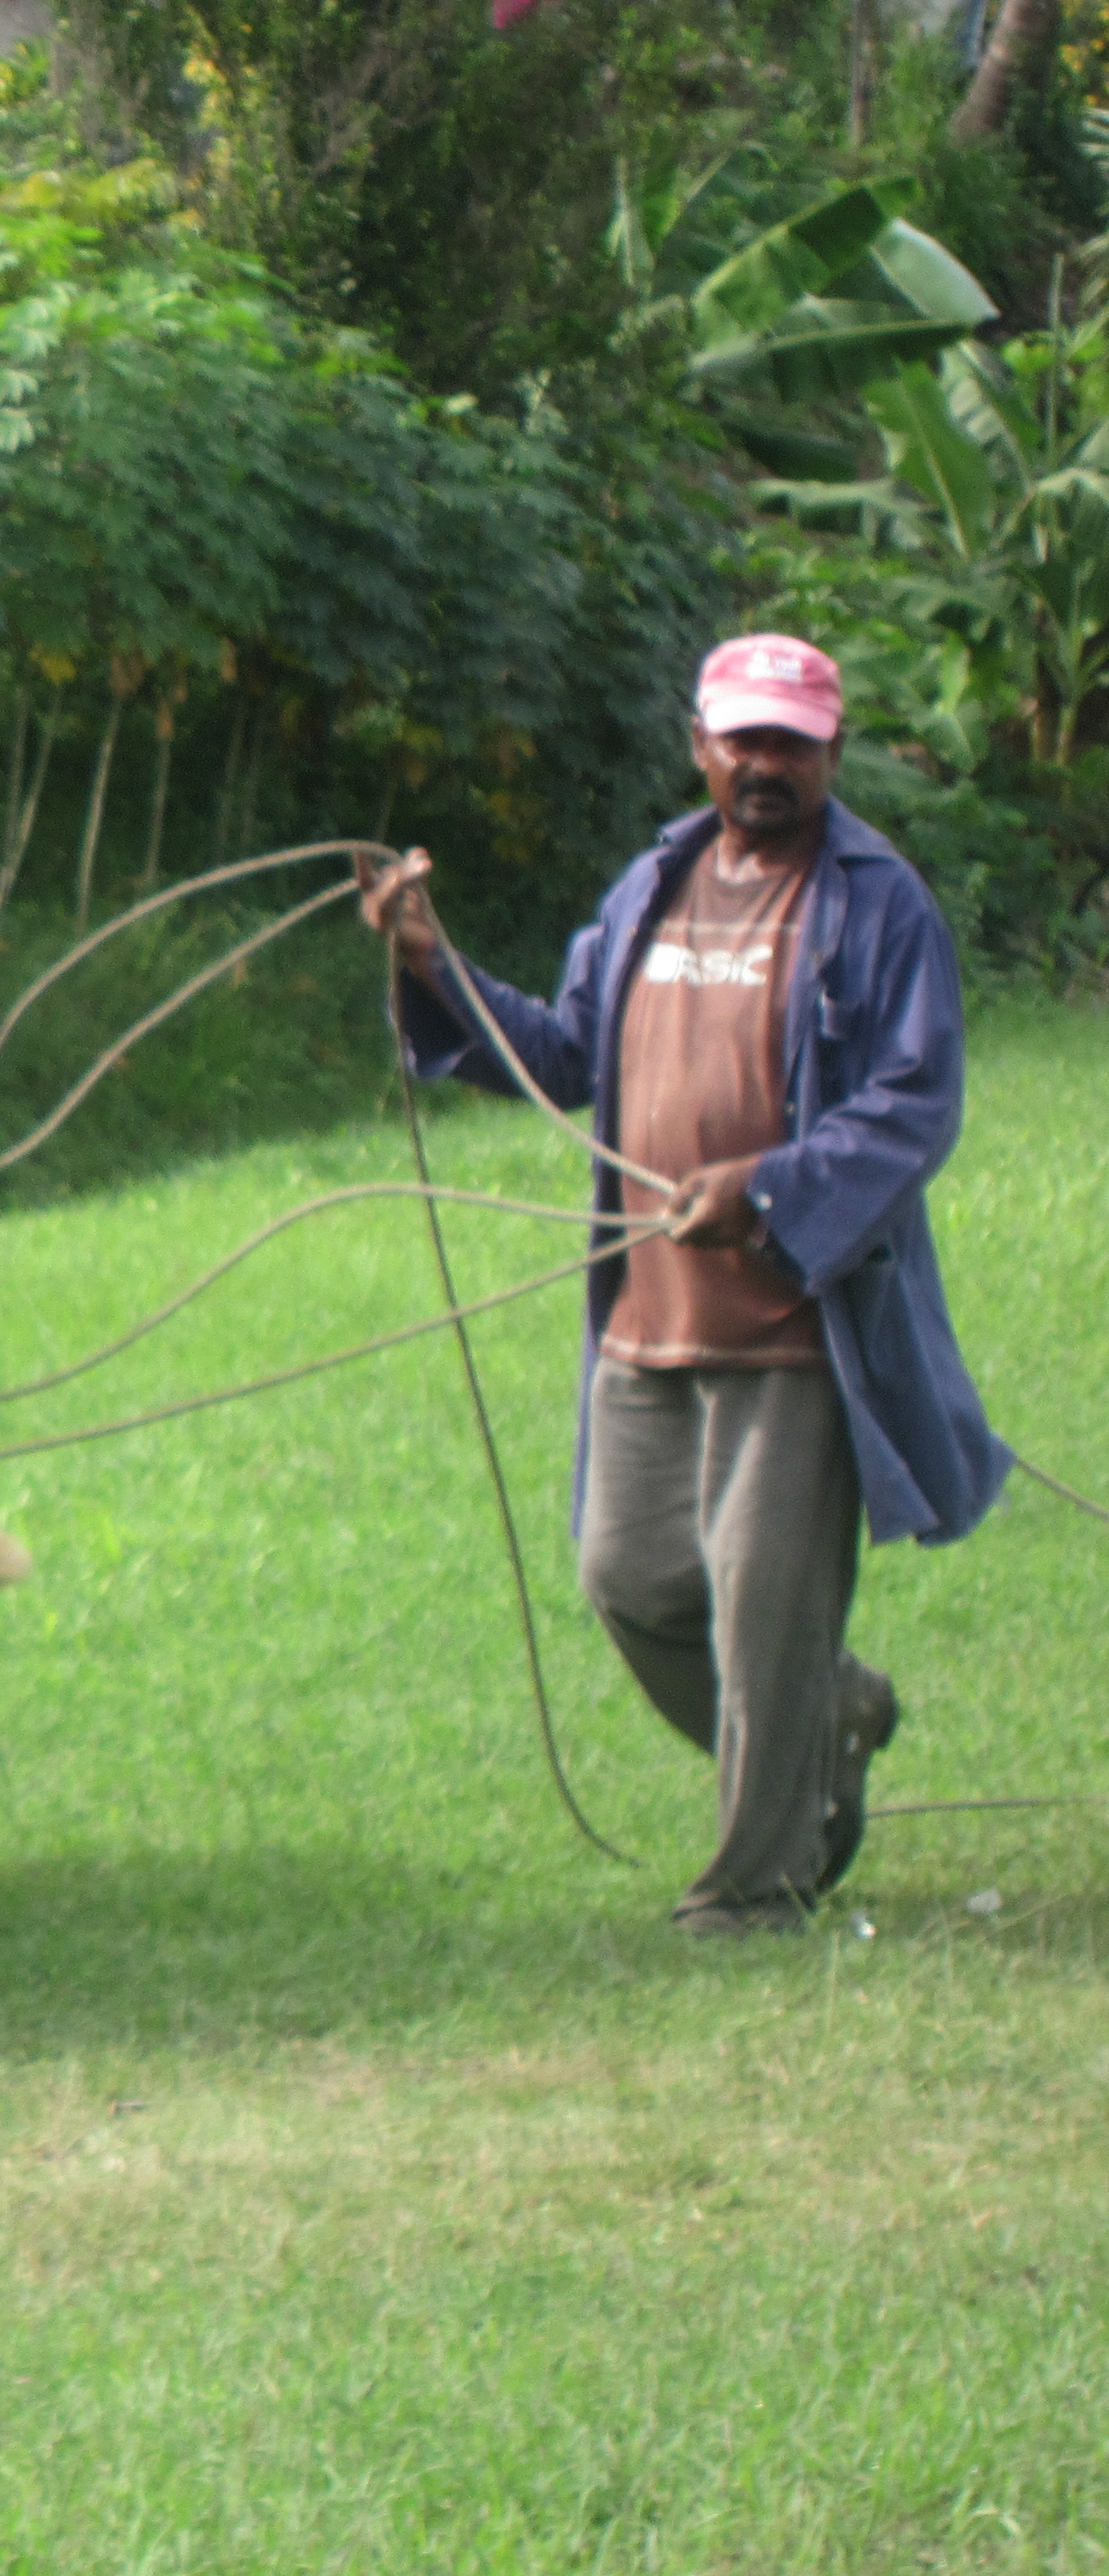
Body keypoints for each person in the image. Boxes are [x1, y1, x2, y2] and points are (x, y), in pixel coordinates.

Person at [355, 635, 1010, 1934]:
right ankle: (835, 1717)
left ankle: (754, 1891)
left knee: (766, 1617)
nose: (765, 764)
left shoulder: (880, 904)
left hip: (795, 1327)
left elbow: (913, 1105)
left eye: (792, 741)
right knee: (631, 1583)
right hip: (645, 1322)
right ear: (701, 744)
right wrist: (431, 959)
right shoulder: (656, 881)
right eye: (743, 739)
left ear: (832, 748)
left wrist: (766, 1186)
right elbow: (560, 1049)